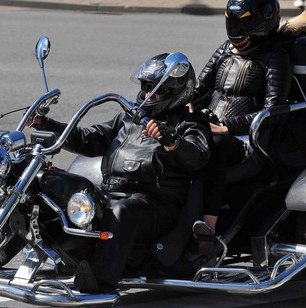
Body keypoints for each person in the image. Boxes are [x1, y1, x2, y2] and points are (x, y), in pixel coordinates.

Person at [32, 54, 210, 292]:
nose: (148, 95)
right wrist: (47, 124)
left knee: (123, 210)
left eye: (157, 91)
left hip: (154, 204)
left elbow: (197, 157)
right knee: (46, 182)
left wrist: (172, 140)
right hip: (110, 191)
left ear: (176, 92)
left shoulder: (191, 124)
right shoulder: (129, 117)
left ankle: (100, 281)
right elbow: (89, 140)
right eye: (146, 88)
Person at [191, 0, 306, 255]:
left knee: (215, 149)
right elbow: (199, 91)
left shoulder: (274, 56)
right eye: (231, 22)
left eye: (242, 23)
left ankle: (207, 234)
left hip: (250, 140)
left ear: (262, 21)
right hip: (210, 127)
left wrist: (227, 126)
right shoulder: (225, 49)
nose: (235, 31)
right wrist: (179, 102)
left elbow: (273, 109)